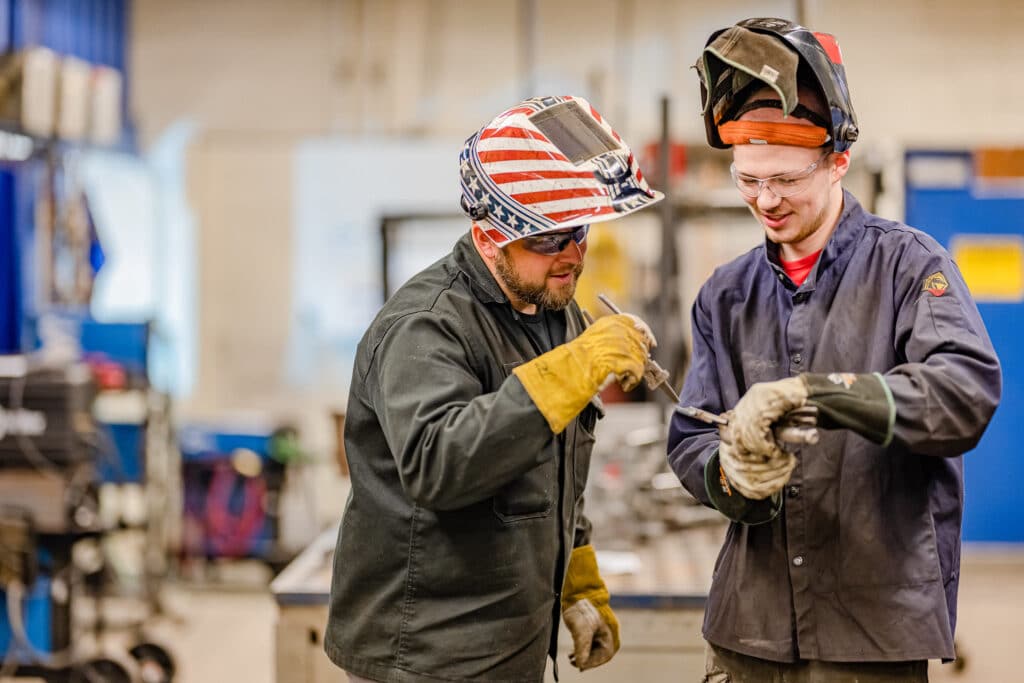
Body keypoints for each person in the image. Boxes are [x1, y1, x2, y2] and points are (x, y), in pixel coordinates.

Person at [667, 17, 1001, 683]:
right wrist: (729, 474)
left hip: (871, 631)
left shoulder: (909, 267)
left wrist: (824, 394)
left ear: (838, 161)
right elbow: (690, 433)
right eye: (749, 179)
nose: (766, 199)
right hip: (750, 627)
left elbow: (964, 393)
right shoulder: (725, 295)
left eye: (786, 179)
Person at [325, 95, 664, 682]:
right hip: (426, 656)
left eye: (578, 231)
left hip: (511, 647)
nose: (571, 257)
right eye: (546, 239)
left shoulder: (554, 314)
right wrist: (571, 371)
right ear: (488, 238)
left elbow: (556, 463)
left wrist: (575, 576)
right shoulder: (425, 327)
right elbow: (439, 464)